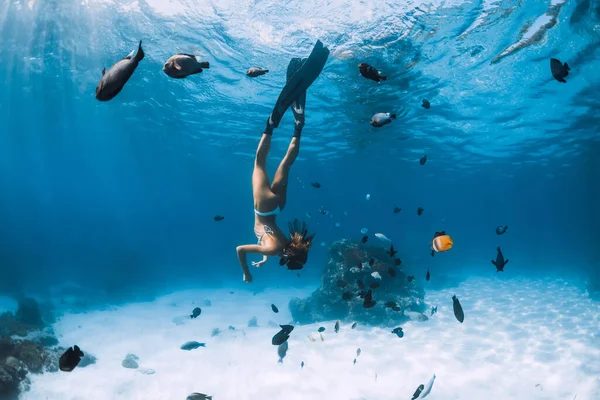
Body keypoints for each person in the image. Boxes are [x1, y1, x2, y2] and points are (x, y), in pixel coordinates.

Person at [236, 40, 330, 283]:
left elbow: (272, 245)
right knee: (259, 162)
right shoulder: (273, 249)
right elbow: (241, 250)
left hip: (278, 208)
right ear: (288, 257)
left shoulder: (283, 245)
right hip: (263, 208)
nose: (282, 260)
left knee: (287, 164)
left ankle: (298, 129)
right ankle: (270, 126)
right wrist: (247, 272)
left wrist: (266, 257)